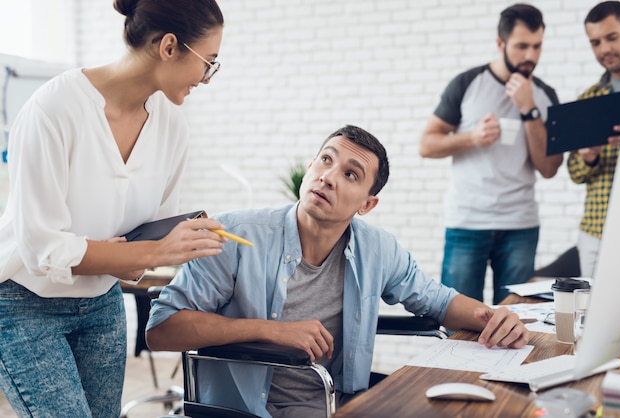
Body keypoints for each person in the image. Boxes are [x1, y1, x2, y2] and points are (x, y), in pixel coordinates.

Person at [146, 125, 529, 418]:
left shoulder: (377, 248)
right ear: (311, 166)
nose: (328, 176)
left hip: (336, 401)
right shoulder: (237, 236)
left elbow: (436, 299)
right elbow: (161, 329)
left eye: (351, 174)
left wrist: (493, 317)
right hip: (245, 409)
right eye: (326, 160)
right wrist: (270, 330)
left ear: (367, 203)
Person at [0, 1, 227, 416]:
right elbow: (41, 250)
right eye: (208, 63)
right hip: (24, 303)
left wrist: (149, 253)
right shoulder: (52, 110)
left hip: (103, 303)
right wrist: (155, 254)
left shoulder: (172, 126)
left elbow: (148, 232)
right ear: (170, 47)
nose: (208, 78)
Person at [419, 3, 563, 304]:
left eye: (537, 47)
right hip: (467, 223)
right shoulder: (467, 83)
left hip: (520, 226)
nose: (530, 56)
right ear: (500, 44)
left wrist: (529, 109)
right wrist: (472, 137)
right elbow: (427, 144)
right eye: (522, 46)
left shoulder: (545, 95)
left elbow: (549, 168)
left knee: (517, 321)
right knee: (456, 320)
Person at [568, 1, 620, 278]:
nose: (604, 50)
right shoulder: (588, 99)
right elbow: (574, 173)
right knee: (592, 317)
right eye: (595, 42)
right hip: (596, 230)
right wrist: (587, 157)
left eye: (612, 37)